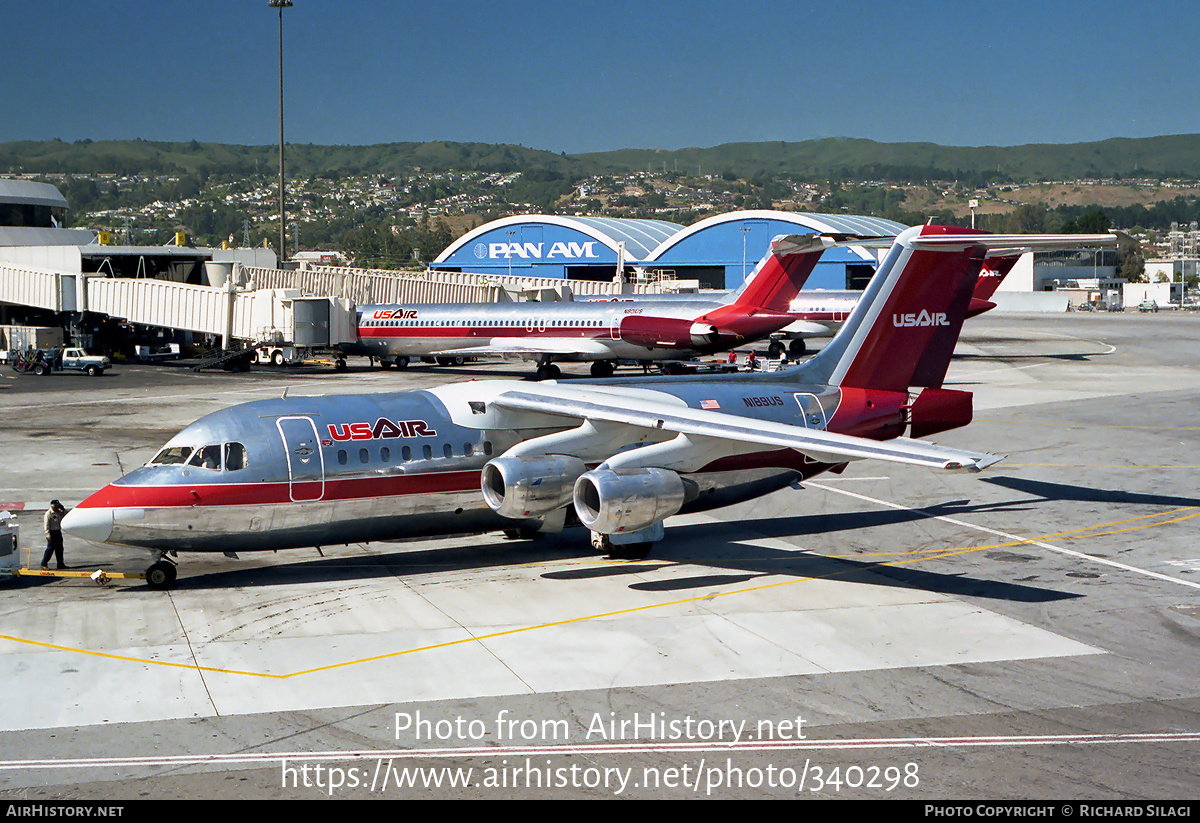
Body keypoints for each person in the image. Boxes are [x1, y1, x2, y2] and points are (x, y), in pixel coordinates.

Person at [41, 500, 67, 570]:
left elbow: (66, 516)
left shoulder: (59, 512)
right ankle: (44, 563)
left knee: (60, 549)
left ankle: (60, 564)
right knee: (50, 549)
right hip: (52, 532)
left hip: (58, 531)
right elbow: (46, 525)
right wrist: (47, 534)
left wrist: (63, 509)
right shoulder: (48, 513)